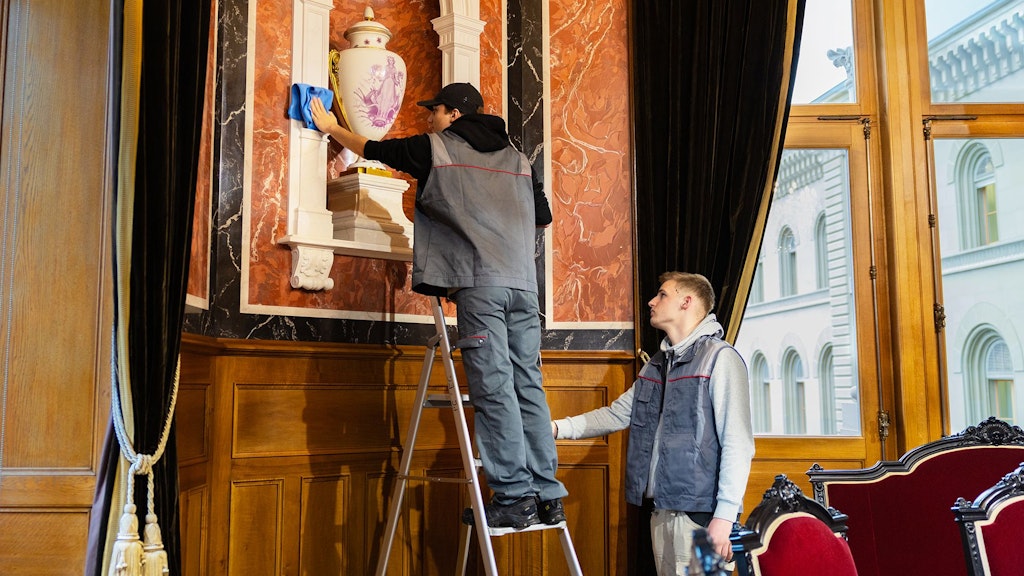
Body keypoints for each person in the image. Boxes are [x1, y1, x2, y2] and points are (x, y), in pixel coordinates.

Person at [310, 83, 567, 529]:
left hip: (479, 287)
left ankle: (513, 497)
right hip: (525, 289)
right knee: (528, 385)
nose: (430, 119)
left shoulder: (436, 148)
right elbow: (542, 216)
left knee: (494, 389)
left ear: (451, 114)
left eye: (434, 111)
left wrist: (333, 127)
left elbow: (374, 148)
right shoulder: (520, 160)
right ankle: (546, 495)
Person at [552, 272, 754, 575]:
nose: (651, 301)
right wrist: (555, 429)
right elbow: (616, 414)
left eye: (662, 295)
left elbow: (738, 443)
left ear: (687, 301)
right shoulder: (657, 365)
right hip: (661, 511)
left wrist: (724, 518)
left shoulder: (720, 359)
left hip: (702, 517)